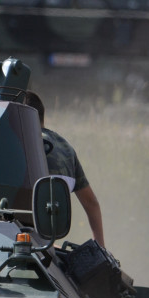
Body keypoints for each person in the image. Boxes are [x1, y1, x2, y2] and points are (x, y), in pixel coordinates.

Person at [25, 91, 105, 247]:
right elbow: (91, 202)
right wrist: (100, 248)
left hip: (24, 236)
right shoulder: (65, 146)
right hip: (48, 237)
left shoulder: (23, 140)